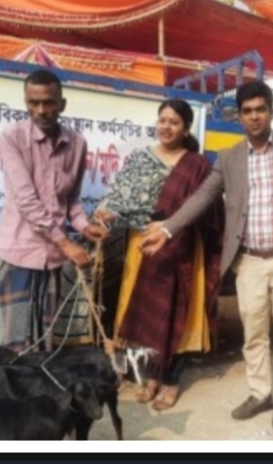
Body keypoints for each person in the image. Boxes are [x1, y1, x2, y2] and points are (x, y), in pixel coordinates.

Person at [139, 81, 273, 431]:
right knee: (254, 333)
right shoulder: (229, 158)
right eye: (247, 111)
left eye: (260, 109)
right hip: (249, 261)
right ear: (239, 117)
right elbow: (202, 197)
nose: (254, 116)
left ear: (271, 112)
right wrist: (168, 229)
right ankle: (260, 393)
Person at [93, 98, 225, 411]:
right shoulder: (140, 158)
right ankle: (151, 376)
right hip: (142, 247)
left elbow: (209, 208)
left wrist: (174, 226)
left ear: (186, 128)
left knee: (180, 313)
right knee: (145, 314)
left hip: (183, 248)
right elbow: (118, 197)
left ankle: (171, 381)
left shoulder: (197, 165)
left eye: (174, 122)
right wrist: (106, 212)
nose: (166, 127)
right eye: (162, 120)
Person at [0, 69, 108, 353]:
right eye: (33, 103)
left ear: (62, 104)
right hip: (19, 250)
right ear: (25, 103)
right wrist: (66, 243)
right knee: (10, 340)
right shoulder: (13, 137)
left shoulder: (77, 143)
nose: (41, 110)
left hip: (52, 258)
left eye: (49, 102)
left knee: (44, 339)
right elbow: (26, 200)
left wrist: (84, 225)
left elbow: (71, 199)